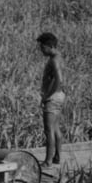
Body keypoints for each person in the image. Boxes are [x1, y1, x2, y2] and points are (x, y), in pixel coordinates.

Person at [37, 32, 65, 173]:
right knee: (55, 128)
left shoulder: (54, 60)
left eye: (43, 47)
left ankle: (48, 162)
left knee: (49, 130)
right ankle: (57, 157)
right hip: (59, 96)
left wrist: (47, 96)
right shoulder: (58, 57)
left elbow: (59, 80)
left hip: (53, 98)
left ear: (50, 46)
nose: (41, 50)